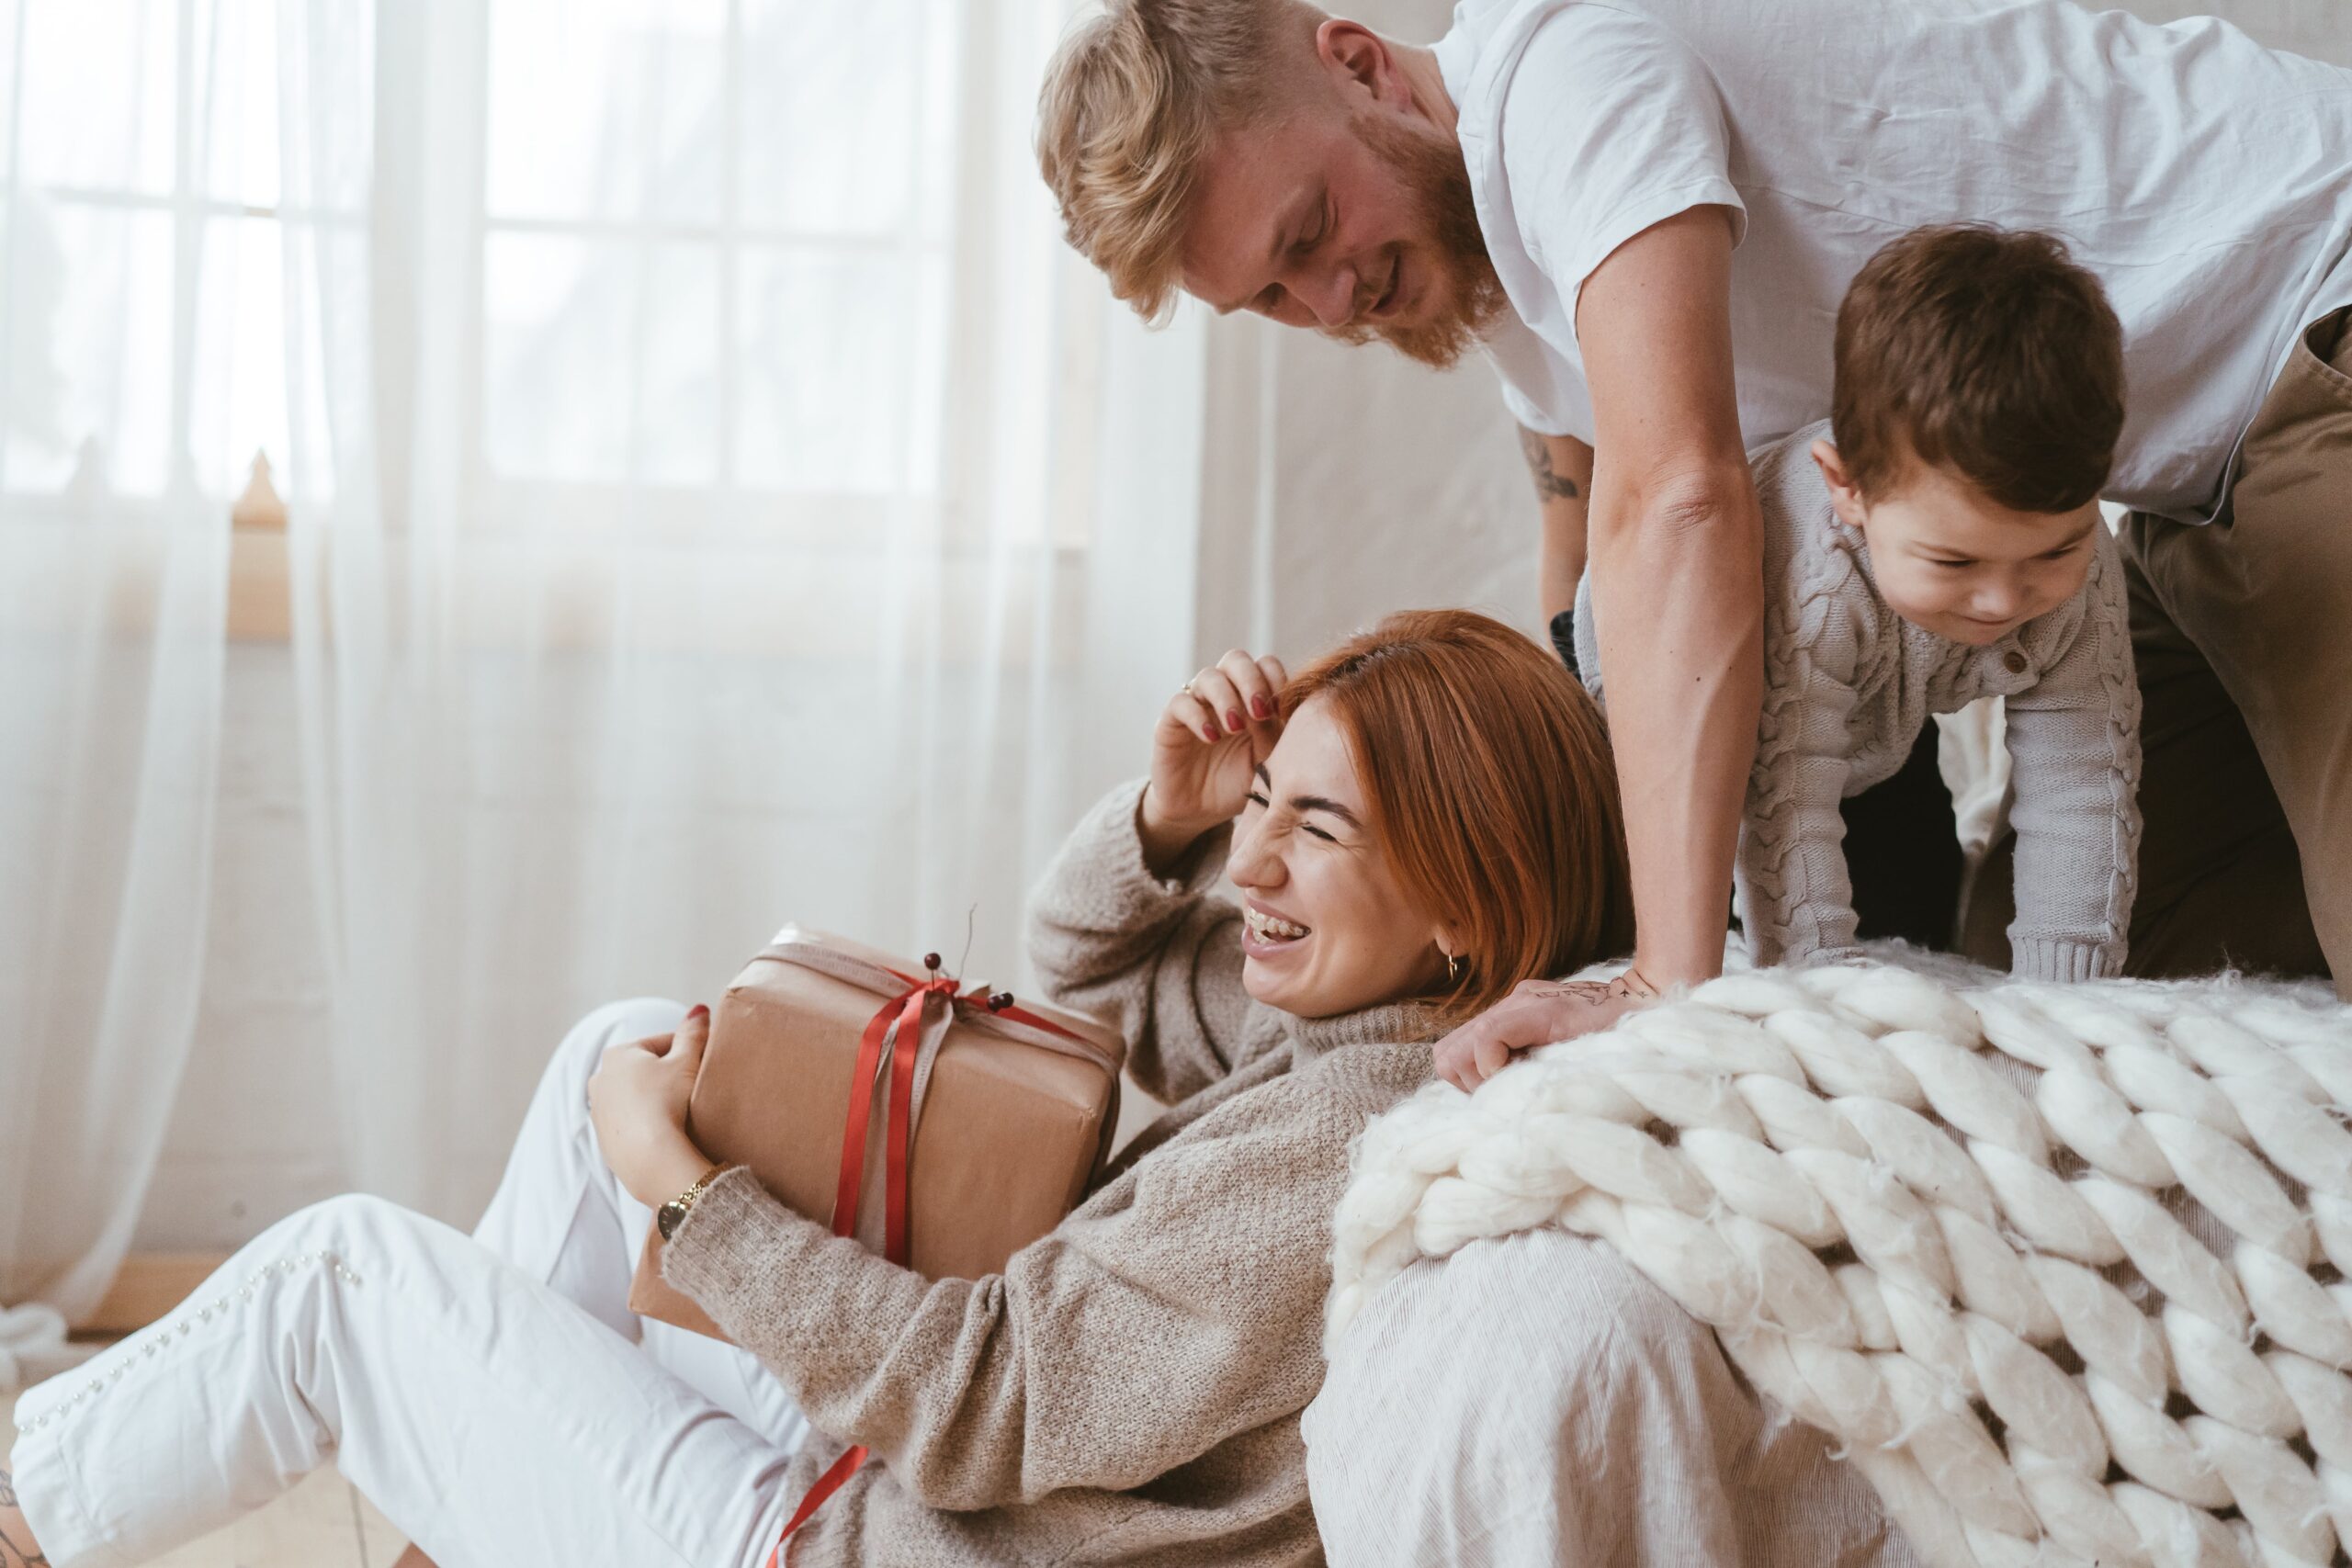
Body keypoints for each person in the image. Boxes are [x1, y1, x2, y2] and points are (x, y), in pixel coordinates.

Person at [2, 609, 1633, 1568]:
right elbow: (1095, 969)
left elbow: (986, 1399)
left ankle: (20, 1510)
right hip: (903, 1492)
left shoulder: (1349, 1141)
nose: (1258, 859)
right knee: (622, 1045)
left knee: (342, 1276)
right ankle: (482, 1506)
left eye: (1316, 829)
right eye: (1263, 803)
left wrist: (689, 1200)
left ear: (1468, 907)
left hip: (860, 1541)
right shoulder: (1373, 1031)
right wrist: (1169, 812)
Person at [1035, 0, 2348, 1074]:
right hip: (2186, 484)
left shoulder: (1567, 78)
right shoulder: (1513, 294)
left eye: (1312, 231)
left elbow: (1678, 498)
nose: (1329, 300)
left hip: (2314, 291)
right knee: (2069, 990)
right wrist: (1560, 915)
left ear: (1362, 65)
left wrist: (1670, 983)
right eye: (1270, 296)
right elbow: (1594, 578)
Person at [1434, 225, 2141, 1093]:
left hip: (1867, 723)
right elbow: (1782, 815)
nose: (2003, 601)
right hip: (1662, 714)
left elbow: (2085, 786)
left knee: (1918, 920)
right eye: (1954, 561)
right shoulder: (1814, 581)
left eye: (2051, 553)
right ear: (1847, 486)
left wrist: (2067, 1025)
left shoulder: (2081, 568)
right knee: (1675, 946)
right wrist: (1817, 1034)